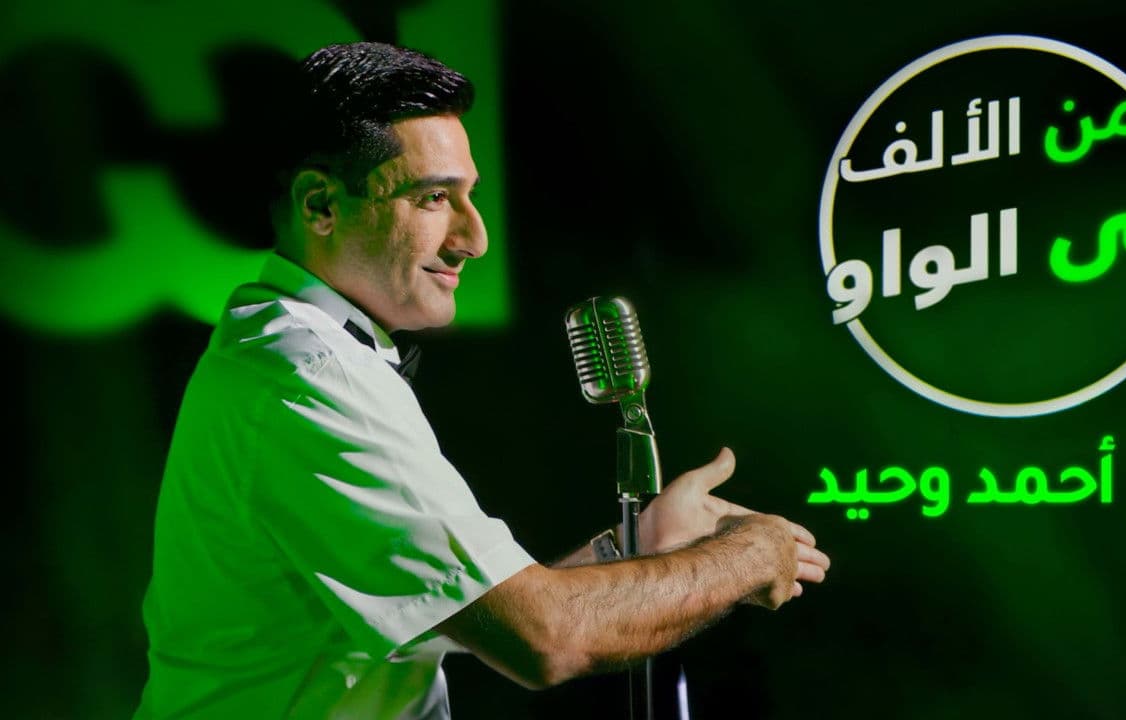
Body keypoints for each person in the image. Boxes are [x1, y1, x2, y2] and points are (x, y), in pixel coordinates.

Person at [134, 41, 829, 719]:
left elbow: (470, 610)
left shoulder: (297, 351)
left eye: (468, 196)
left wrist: (635, 545)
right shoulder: (310, 377)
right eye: (434, 197)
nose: (474, 238)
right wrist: (744, 557)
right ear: (320, 205)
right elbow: (545, 638)